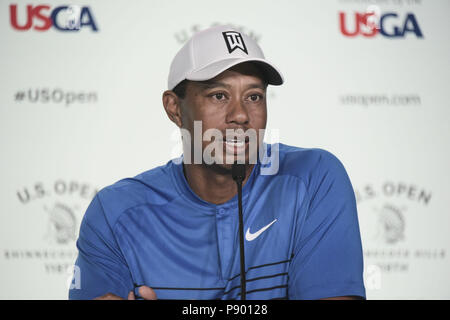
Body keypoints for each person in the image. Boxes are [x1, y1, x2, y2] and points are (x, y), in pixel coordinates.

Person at [69, 25, 366, 300]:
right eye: (219, 95)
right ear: (175, 108)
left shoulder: (313, 178)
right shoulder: (115, 212)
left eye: (254, 96)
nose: (240, 115)